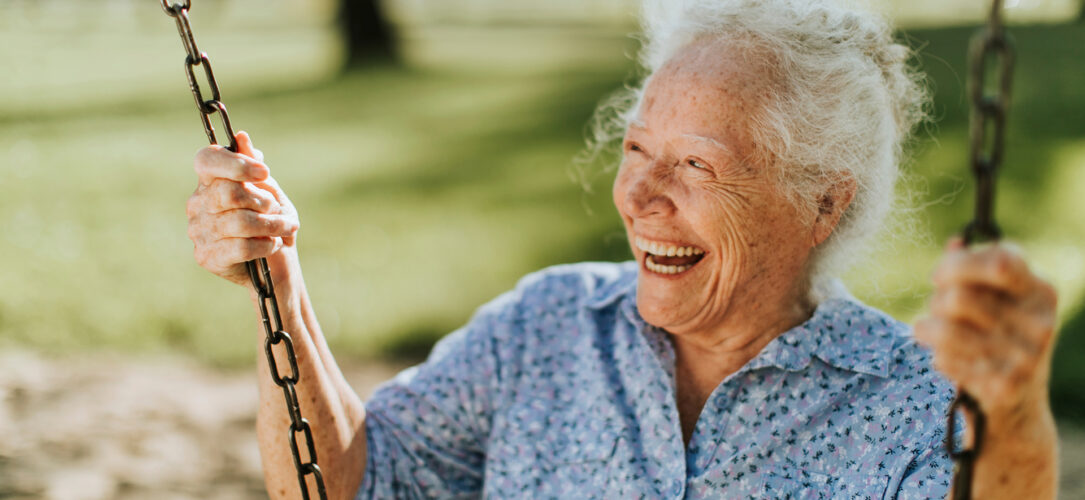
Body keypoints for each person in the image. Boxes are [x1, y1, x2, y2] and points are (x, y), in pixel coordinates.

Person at [183, 0, 1060, 498]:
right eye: (637, 150)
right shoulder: (545, 326)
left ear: (821, 201)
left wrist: (1014, 413)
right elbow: (349, 484)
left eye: (695, 166)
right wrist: (279, 285)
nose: (637, 197)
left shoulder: (906, 404)